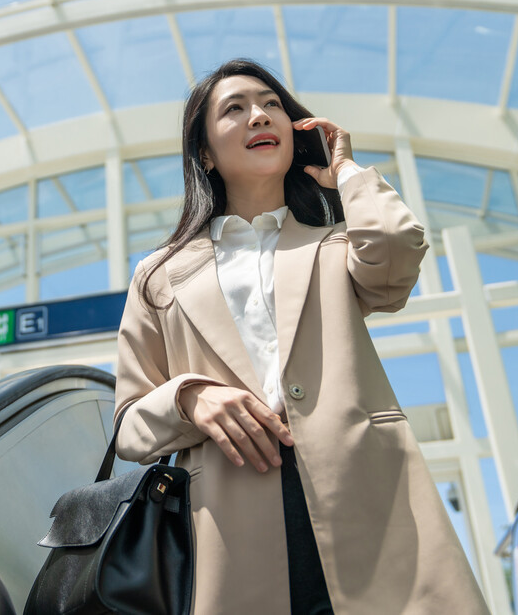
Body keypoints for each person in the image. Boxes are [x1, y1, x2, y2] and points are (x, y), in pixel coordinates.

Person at [113, 59, 489, 614]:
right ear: (205, 155)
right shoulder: (159, 276)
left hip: (362, 497)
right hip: (230, 517)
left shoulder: (336, 244)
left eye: (271, 105)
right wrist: (192, 397)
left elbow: (396, 251)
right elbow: (128, 425)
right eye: (234, 109)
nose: (260, 116)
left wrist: (350, 174)